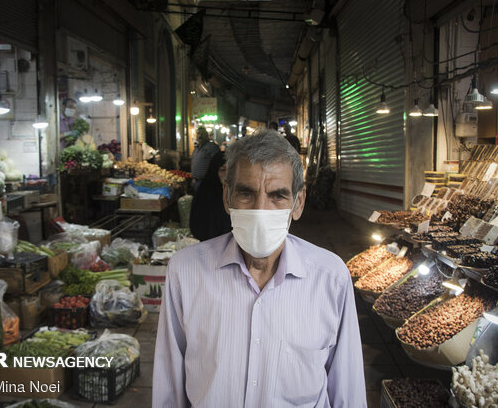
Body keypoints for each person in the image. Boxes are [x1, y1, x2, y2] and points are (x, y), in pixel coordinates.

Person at [153, 130, 366, 407]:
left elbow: (346, 389)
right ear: (227, 198)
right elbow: (168, 386)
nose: (261, 210)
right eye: (246, 194)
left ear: (298, 203)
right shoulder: (186, 271)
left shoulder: (330, 277)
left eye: (277, 196)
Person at [189, 151, 231, 241]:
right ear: (214, 170)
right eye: (223, 170)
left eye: (231, 170)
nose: (227, 175)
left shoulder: (236, 194)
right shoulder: (205, 194)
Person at [191, 127, 220, 192]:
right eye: (198, 134)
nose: (200, 136)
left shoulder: (212, 147)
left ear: (207, 135)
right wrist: (194, 178)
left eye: (202, 134)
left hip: (207, 182)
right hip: (197, 182)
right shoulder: (197, 148)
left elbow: (218, 163)